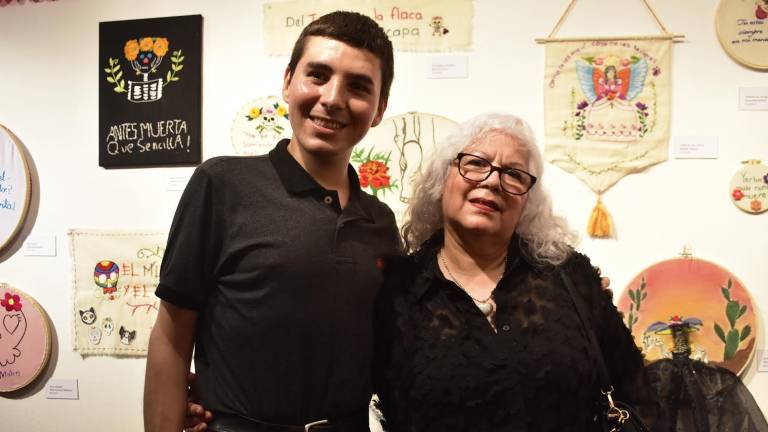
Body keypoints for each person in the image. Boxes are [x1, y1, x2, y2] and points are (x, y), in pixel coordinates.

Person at [143, 11, 399, 432]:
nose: (333, 97)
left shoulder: (381, 223)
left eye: (357, 86)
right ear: (287, 81)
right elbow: (172, 335)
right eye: (317, 75)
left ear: (378, 109)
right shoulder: (222, 185)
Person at [371, 113, 657, 431]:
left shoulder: (570, 277)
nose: (493, 181)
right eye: (476, 163)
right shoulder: (395, 292)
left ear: (527, 203)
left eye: (514, 175)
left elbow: (637, 391)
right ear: (441, 180)